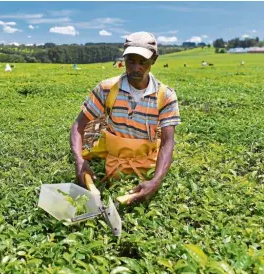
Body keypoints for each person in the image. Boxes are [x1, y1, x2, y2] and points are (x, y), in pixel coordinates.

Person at [70, 31, 181, 205]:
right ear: (124, 60)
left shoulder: (165, 96)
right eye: (131, 61)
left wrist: (156, 181)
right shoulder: (106, 89)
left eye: (143, 62)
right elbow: (79, 126)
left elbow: (168, 142)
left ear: (154, 59)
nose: (136, 68)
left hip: (147, 164)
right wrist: (79, 160)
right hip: (114, 160)